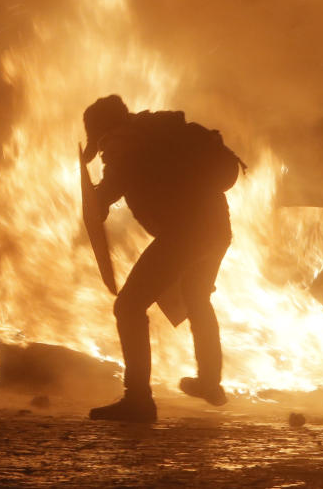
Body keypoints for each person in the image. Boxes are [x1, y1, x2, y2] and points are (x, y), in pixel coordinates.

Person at [81, 95, 242, 423]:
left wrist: (94, 201)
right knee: (196, 297)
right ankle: (210, 382)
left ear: (102, 132)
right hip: (216, 229)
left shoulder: (123, 142)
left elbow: (107, 193)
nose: (101, 153)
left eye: (99, 146)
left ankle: (138, 400)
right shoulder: (155, 131)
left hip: (185, 233)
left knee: (128, 306)